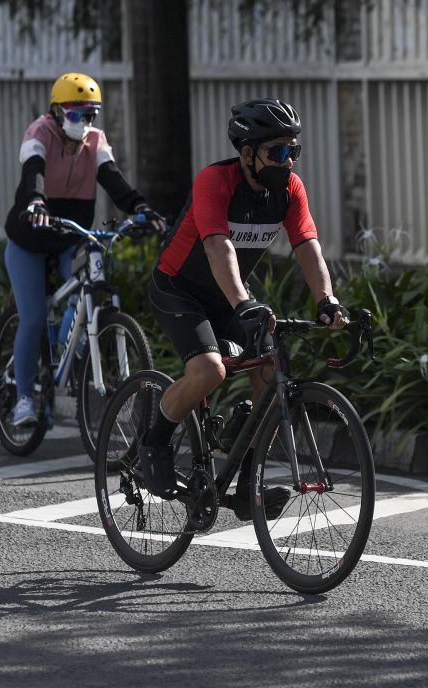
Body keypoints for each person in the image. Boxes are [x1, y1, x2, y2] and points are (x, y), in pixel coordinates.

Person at [140, 98, 348, 513]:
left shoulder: (289, 190)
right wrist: (243, 303)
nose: (287, 161)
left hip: (229, 295)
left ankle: (245, 484)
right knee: (209, 370)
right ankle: (154, 443)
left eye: (294, 151)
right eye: (278, 152)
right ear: (248, 153)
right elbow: (219, 248)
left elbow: (308, 246)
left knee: (274, 368)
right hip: (178, 290)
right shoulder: (214, 182)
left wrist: (327, 299)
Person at [3, 73, 165, 428]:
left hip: (69, 237)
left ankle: (67, 346)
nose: (85, 123)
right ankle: (24, 398)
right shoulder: (39, 132)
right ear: (58, 112)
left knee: (91, 280)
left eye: (91, 115)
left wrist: (140, 208)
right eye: (77, 115)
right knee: (31, 318)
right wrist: (35, 201)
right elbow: (34, 170)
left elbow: (113, 178)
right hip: (29, 239)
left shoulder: (95, 141)